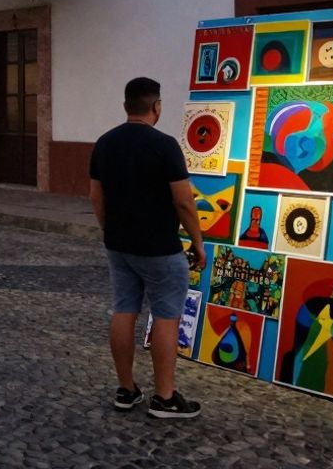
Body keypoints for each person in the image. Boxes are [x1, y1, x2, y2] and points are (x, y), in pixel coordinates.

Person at [89, 77, 205, 419]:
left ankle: (126, 390)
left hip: (119, 245)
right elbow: (184, 201)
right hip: (160, 248)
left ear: (127, 105)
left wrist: (110, 230)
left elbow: (96, 196)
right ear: (156, 106)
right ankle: (165, 397)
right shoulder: (165, 145)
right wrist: (197, 241)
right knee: (167, 317)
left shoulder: (104, 143)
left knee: (124, 310)